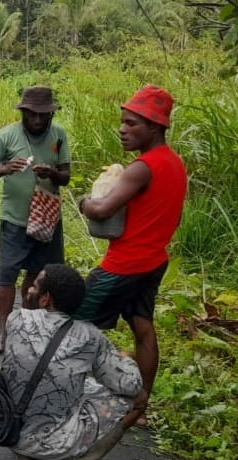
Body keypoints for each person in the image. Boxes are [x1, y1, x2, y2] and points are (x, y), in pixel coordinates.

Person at [75, 84, 187, 427]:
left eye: (132, 124)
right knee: (143, 328)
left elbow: (103, 209)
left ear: (155, 127)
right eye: (122, 123)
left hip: (123, 264)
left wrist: (84, 203)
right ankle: (140, 406)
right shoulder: (176, 164)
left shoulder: (142, 168)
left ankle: (73, 397)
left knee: (73, 325)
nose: (123, 130)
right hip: (154, 260)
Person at [0, 263, 142, 460]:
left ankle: (24, 453)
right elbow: (131, 385)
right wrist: (126, 358)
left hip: (6, 430)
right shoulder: (90, 336)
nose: (29, 288)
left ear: (46, 298)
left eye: (35, 285)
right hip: (55, 444)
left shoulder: (15, 319)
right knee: (137, 398)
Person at [0, 86, 71, 354]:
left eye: (44, 116)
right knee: (7, 274)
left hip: (47, 219)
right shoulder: (6, 136)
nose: (38, 121)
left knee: (37, 275)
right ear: (24, 113)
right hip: (15, 219)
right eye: (32, 115)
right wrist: (5, 168)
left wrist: (52, 173)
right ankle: (4, 332)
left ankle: (27, 330)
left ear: (51, 115)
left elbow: (66, 176)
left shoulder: (59, 135)